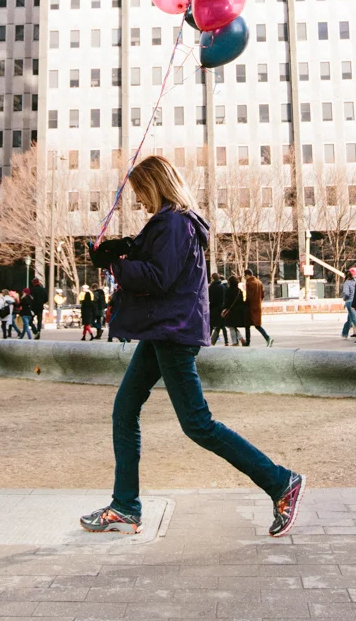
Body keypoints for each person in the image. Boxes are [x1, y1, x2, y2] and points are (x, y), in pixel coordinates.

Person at [79, 155, 303, 538]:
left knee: (198, 424)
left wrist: (115, 265)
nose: (138, 201)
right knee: (125, 410)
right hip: (164, 330)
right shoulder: (176, 223)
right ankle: (125, 506)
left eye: (140, 192)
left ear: (154, 185)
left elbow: (158, 276)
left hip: (172, 333)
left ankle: (280, 482)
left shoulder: (173, 222)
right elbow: (155, 258)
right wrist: (121, 250)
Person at [240, 271, 271, 347]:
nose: (245, 278)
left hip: (250, 307)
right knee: (257, 325)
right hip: (257, 306)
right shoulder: (259, 282)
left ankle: (248, 342)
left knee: (247, 325)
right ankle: (267, 338)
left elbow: (249, 297)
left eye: (245, 276)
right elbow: (262, 295)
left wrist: (244, 303)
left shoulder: (249, 283)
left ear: (247, 275)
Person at [207, 273, 229, 345]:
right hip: (220, 308)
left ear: (212, 278)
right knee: (221, 325)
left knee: (211, 325)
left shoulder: (211, 287)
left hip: (213, 308)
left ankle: (208, 339)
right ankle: (226, 341)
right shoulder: (222, 287)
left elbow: (209, 298)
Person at [339, 266, 356, 339]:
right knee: (350, 319)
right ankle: (344, 333)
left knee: (354, 319)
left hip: (350, 302)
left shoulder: (347, 282)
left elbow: (346, 294)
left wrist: (344, 299)